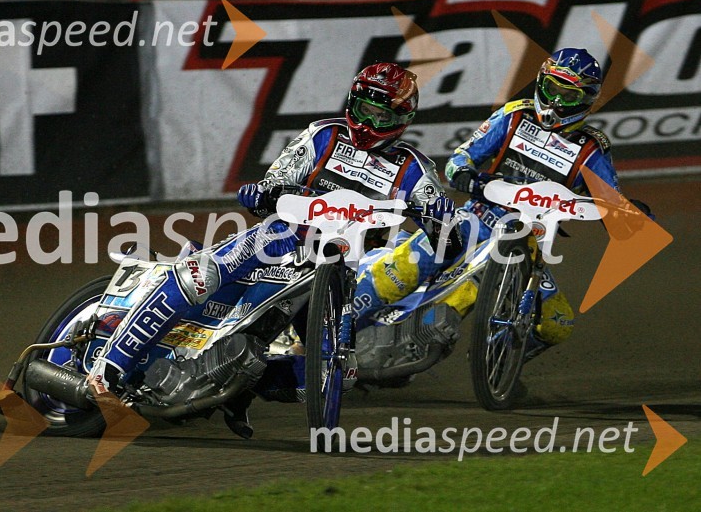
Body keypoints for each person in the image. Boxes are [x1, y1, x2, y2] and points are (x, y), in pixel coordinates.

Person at [87, 62, 460, 435]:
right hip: (277, 239)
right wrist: (264, 191)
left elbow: (448, 242)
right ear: (352, 102)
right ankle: (109, 369)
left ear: (402, 117)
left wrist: (444, 220)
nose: (368, 122)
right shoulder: (323, 136)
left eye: (380, 115)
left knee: (336, 373)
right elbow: (277, 179)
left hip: (338, 269)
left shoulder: (414, 169)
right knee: (196, 275)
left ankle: (242, 383)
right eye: (364, 109)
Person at [444, 47, 649, 362]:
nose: (554, 102)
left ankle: (498, 362)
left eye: (566, 95)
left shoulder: (591, 148)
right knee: (414, 271)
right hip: (476, 219)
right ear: (541, 82)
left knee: (558, 324)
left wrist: (630, 217)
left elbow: (612, 204)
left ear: (585, 100)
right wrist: (462, 172)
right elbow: (463, 156)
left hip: (530, 244)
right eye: (551, 88)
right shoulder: (514, 114)